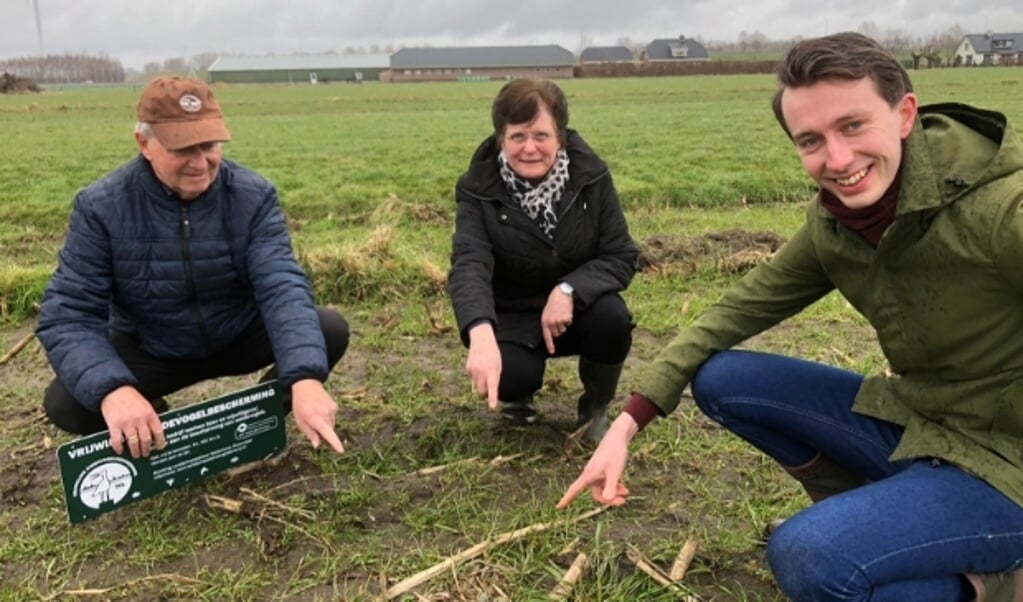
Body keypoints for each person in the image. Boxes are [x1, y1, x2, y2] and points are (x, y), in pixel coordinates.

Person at [558, 32, 1023, 601]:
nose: (838, 160)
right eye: (811, 140)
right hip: (928, 427)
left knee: (810, 558)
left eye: (853, 126)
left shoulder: (1000, 210)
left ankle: (996, 581)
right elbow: (735, 309)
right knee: (725, 378)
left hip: (1008, 467)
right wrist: (628, 423)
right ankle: (895, 520)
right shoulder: (835, 224)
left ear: (904, 114)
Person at [36, 76, 350, 460]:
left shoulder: (253, 196)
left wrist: (303, 377)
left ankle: (253, 424)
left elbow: (281, 285)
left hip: (235, 334)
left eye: (209, 145)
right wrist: (114, 391)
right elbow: (68, 314)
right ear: (144, 144)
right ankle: (154, 428)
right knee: (69, 400)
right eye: (183, 148)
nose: (201, 163)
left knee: (326, 330)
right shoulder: (101, 207)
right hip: (153, 346)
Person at [448, 78, 637, 443]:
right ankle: (518, 398)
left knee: (612, 319)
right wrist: (480, 332)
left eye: (541, 135)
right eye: (518, 136)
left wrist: (569, 289)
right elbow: (469, 262)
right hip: (513, 315)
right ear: (501, 138)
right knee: (510, 373)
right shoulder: (477, 188)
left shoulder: (591, 177)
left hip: (576, 312)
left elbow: (621, 254)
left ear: (560, 137)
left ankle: (595, 406)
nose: (530, 148)